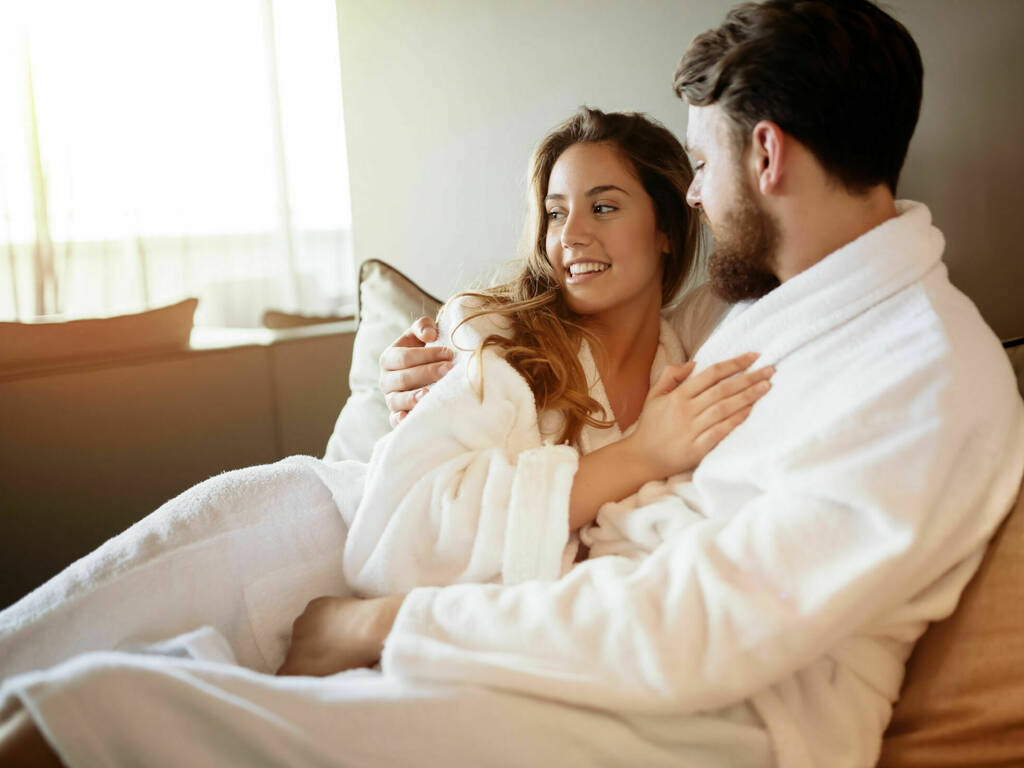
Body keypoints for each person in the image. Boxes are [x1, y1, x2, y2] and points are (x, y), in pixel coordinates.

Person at [2, 1, 1023, 766]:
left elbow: (702, 625)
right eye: (556, 212)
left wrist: (386, 624)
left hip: (697, 723)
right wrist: (436, 367)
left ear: (764, 151)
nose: (700, 196)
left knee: (105, 721)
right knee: (92, 693)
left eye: (699, 166)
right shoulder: (785, 311)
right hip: (576, 636)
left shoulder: (923, 374)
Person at [336, 106, 771, 601]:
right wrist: (641, 453)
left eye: (603, 207)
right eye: (556, 213)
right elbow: (412, 539)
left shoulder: (691, 349)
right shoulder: (487, 332)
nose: (570, 236)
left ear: (665, 230)